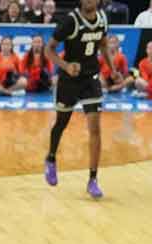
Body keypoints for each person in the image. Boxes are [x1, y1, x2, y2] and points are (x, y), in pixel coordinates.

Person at [43, 0, 110, 198]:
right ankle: (51, 158)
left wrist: (113, 70)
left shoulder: (103, 19)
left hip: (91, 79)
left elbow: (104, 45)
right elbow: (49, 49)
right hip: (69, 80)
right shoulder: (70, 21)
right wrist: (65, 66)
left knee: (95, 128)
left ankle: (93, 179)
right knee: (61, 123)